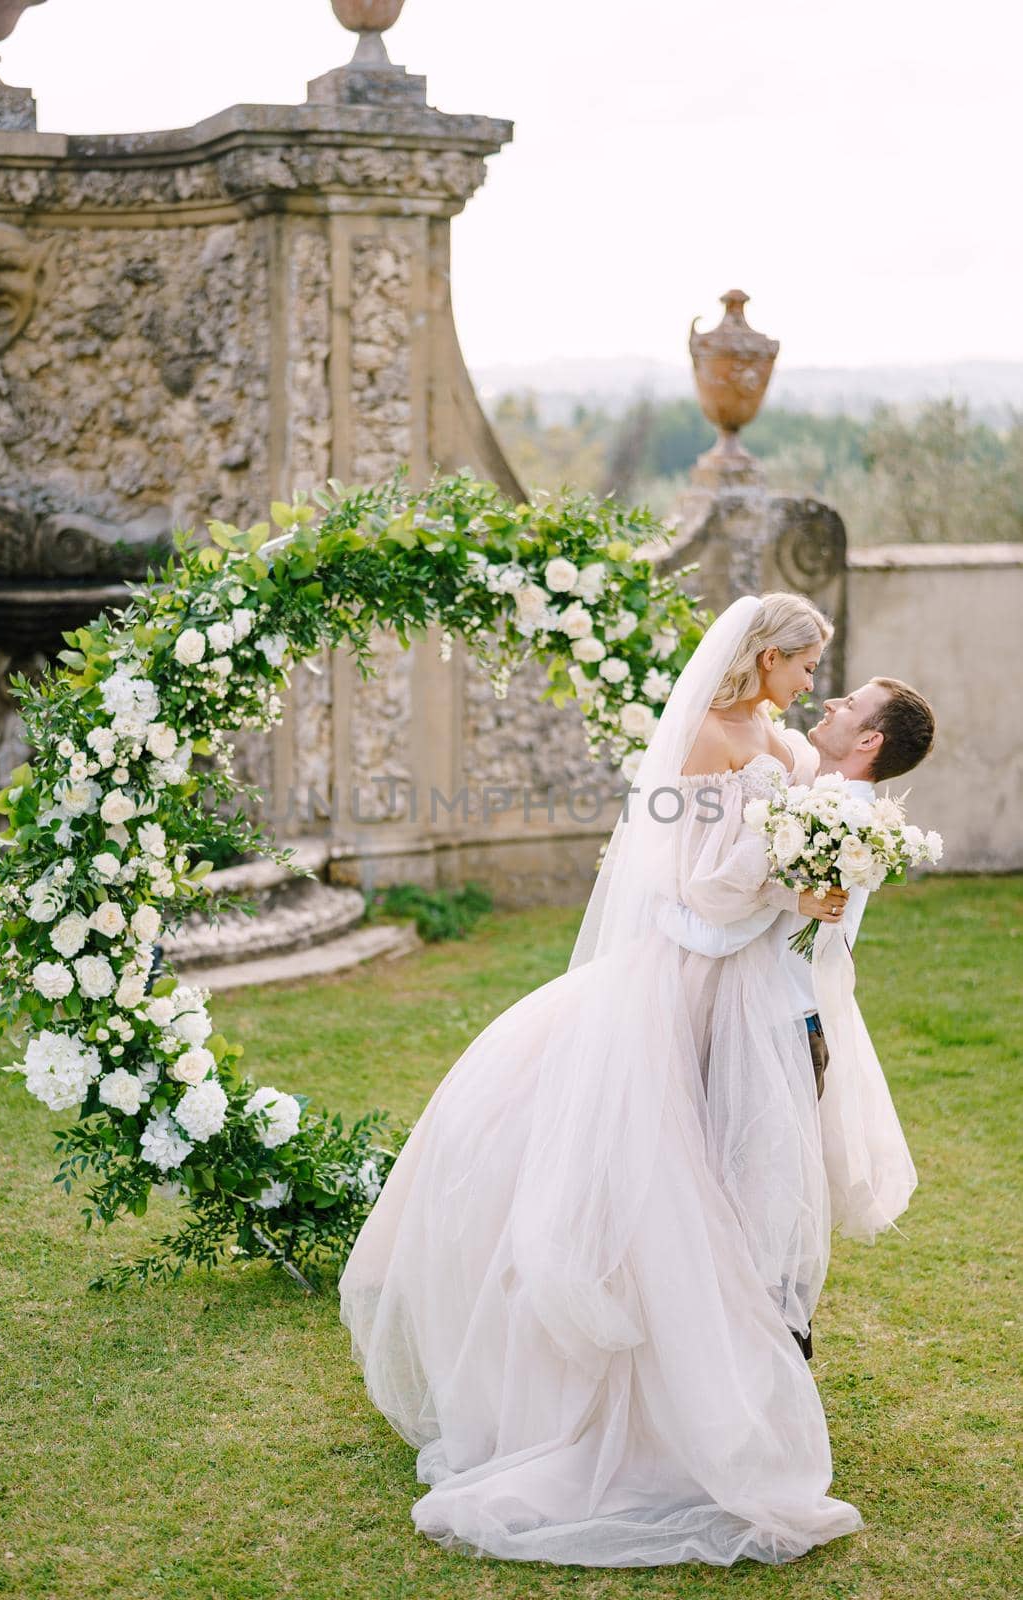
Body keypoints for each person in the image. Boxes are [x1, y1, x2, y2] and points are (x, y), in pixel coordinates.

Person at [338, 594, 918, 1568]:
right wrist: (783, 882)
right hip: (683, 983)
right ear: (767, 655)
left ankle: (738, 1372)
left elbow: (788, 850)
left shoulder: (773, 733)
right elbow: (689, 889)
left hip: (752, 989)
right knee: (656, 1190)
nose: (813, 681)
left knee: (735, 1184)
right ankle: (641, 1408)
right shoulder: (699, 736)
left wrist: (815, 884)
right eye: (807, 662)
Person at [660, 676, 936, 1356]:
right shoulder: (850, 804)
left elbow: (729, 927)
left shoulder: (827, 813)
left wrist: (660, 913)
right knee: (763, 1197)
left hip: (769, 1026)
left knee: (747, 1197)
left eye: (850, 705)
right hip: (795, 1018)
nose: (831, 700)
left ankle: (762, 1348)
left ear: (868, 739)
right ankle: (767, 1338)